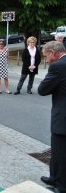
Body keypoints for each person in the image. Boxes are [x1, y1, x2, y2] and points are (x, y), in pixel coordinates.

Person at [38, 41, 66, 193]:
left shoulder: (57, 67)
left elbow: (42, 89)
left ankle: (61, 186)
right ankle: (53, 177)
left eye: (46, 57)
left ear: (52, 53)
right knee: (56, 150)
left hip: (62, 117)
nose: (46, 61)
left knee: (60, 152)